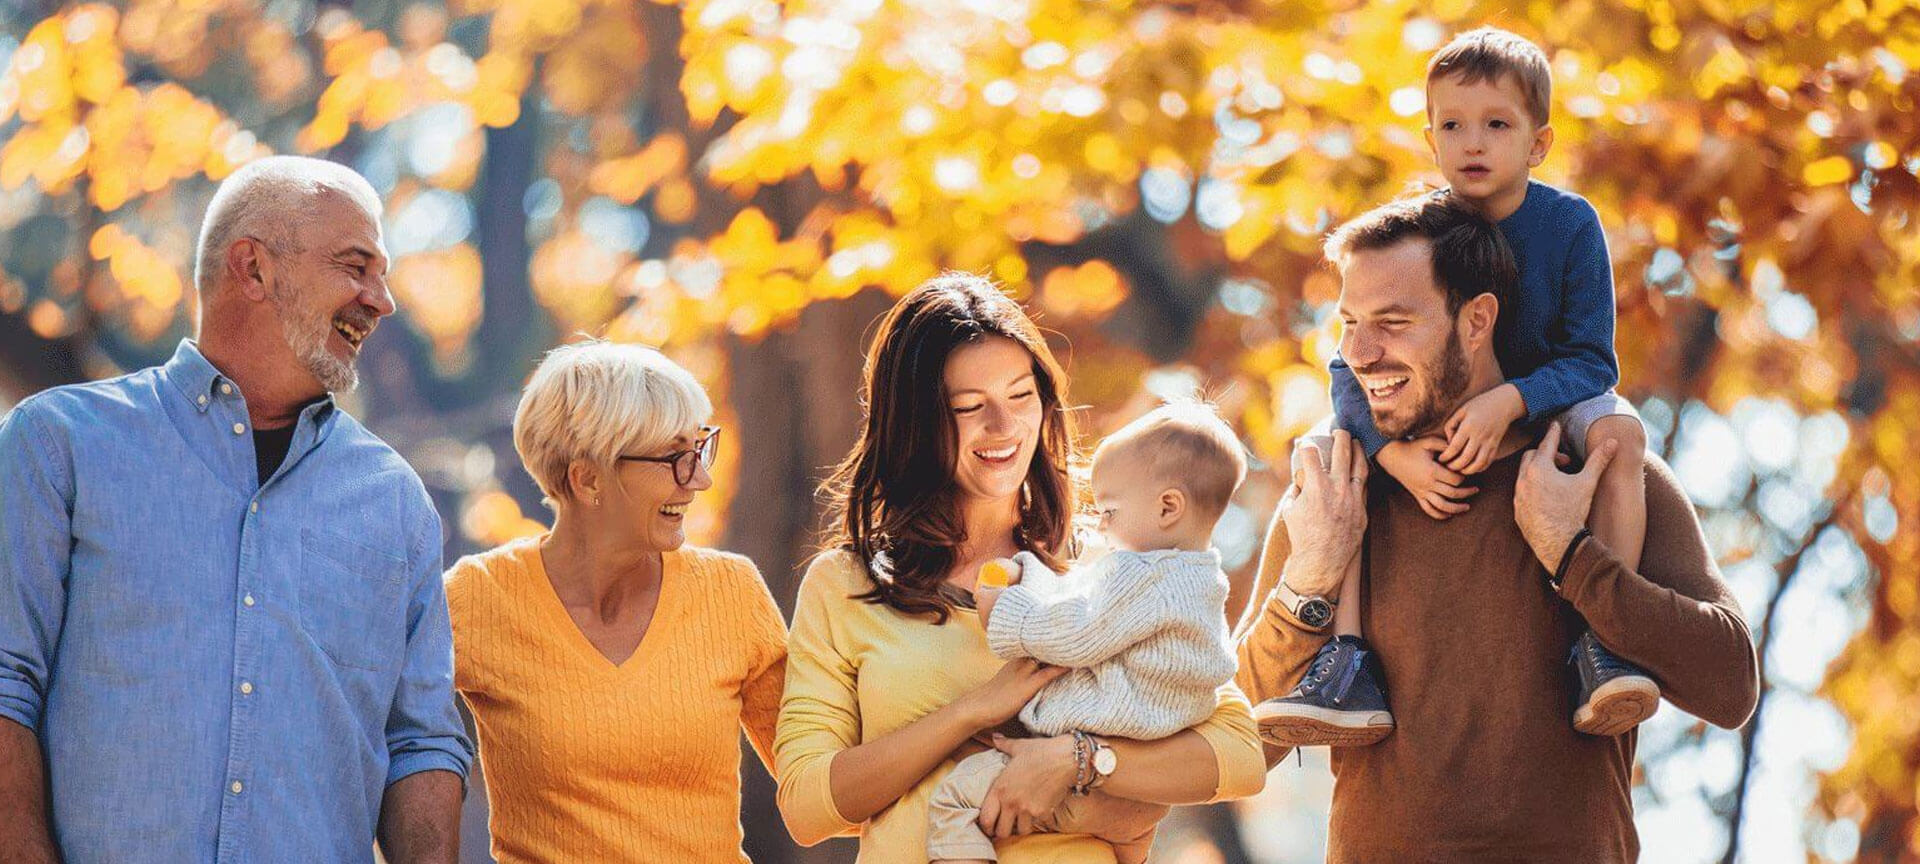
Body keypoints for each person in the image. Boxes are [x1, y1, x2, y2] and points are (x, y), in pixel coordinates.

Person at [1237, 195, 1759, 861]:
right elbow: (1236, 744)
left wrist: (1572, 556)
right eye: (1349, 324)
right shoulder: (1336, 497)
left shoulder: (1600, 479)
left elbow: (1731, 685)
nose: (1361, 354)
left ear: (1478, 319)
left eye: (1393, 323)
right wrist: (1308, 579)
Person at [0, 156, 472, 863]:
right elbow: (7, 680)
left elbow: (421, 743)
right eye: (356, 266)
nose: (382, 300)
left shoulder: (395, 501)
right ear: (252, 269)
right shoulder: (57, 444)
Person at [774, 273, 1266, 863]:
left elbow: (1238, 755)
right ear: (912, 424)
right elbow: (806, 805)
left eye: (1020, 396)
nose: (1003, 428)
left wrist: (1076, 761)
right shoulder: (846, 584)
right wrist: (973, 711)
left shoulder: (1114, 562)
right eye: (967, 407)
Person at [1260, 26, 1660, 744]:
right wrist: (1387, 452)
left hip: (1547, 407)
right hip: (1421, 417)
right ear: (1431, 138)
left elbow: (1594, 361)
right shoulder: (1422, 229)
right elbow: (1350, 362)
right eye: (1453, 126)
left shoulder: (1569, 225)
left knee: (1619, 433)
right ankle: (1346, 663)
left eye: (1497, 125)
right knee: (1330, 454)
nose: (1473, 143)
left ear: (1538, 144)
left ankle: (1605, 640)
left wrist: (1510, 399)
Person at [444, 339, 786, 862]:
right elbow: (377, 742)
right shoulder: (476, 598)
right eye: (674, 457)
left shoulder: (731, 593)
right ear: (588, 479)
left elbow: (824, 789)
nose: (700, 479)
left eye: (699, 448)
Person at [931, 402, 1249, 864]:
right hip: (1138, 769)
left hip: (1086, 759)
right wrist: (1031, 573)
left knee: (955, 798)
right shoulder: (1199, 580)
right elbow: (1081, 599)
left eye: (1110, 511)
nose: (1101, 526)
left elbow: (1077, 632)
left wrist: (1006, 613)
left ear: (1167, 507)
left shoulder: (1140, 573)